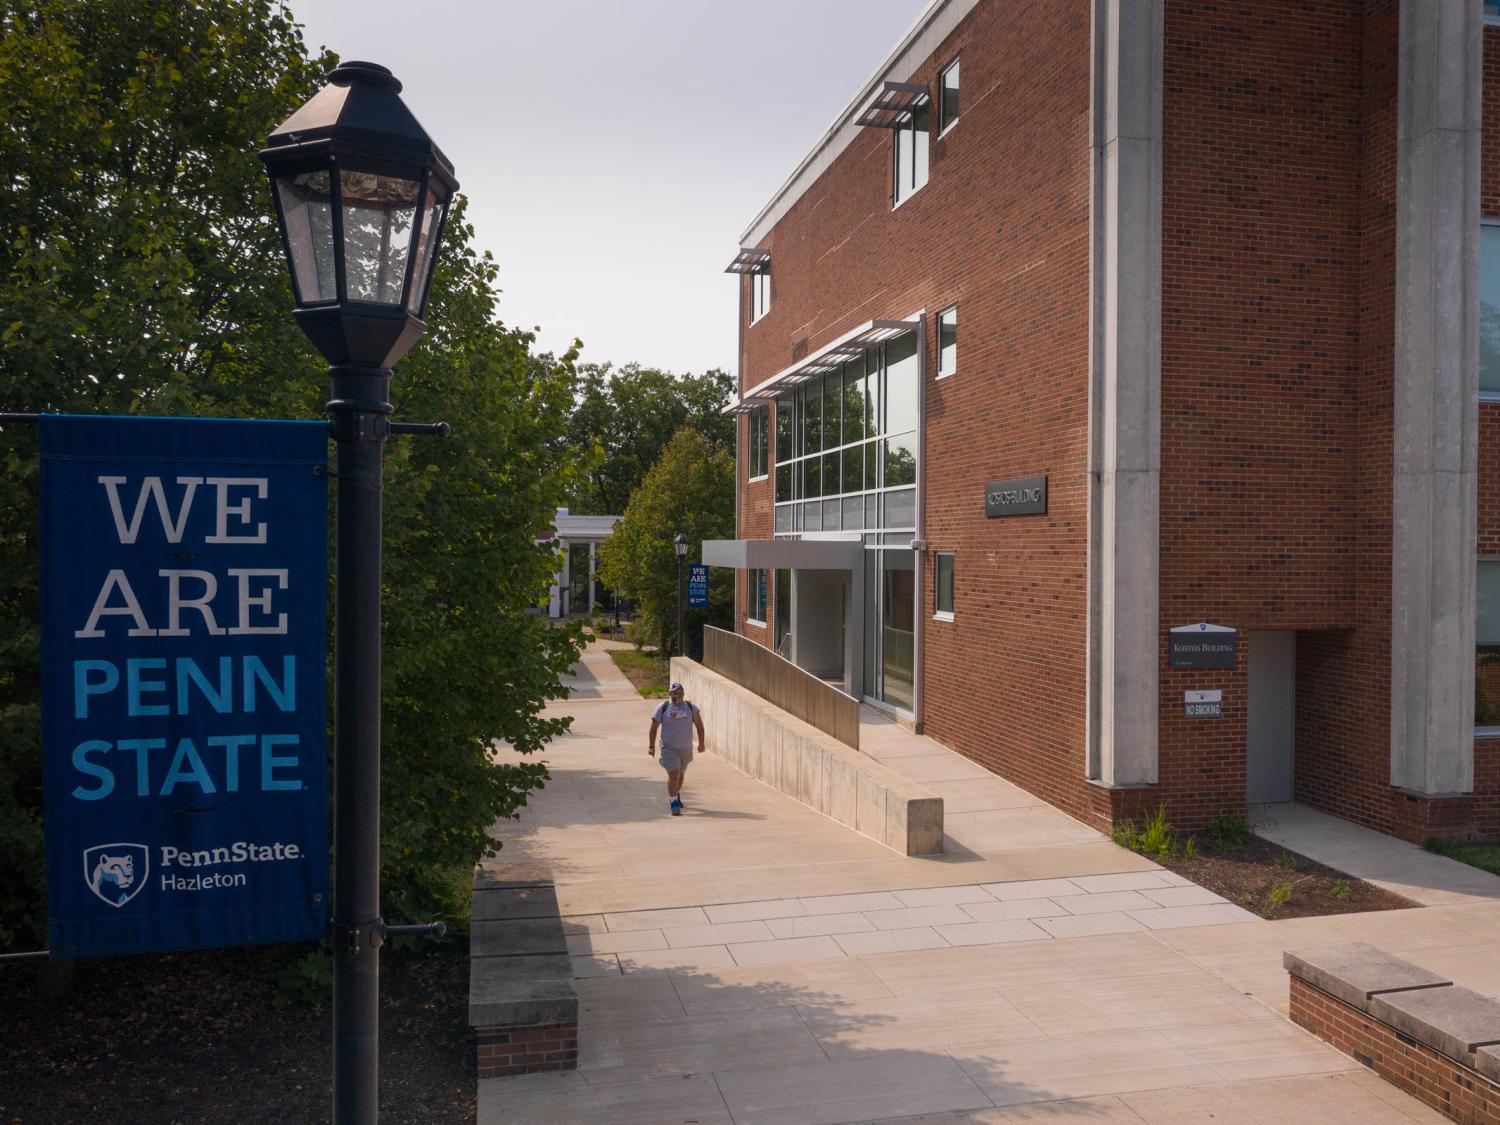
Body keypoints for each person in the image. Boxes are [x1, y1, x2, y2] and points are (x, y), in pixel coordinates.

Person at [648, 681, 706, 816]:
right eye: (675, 693)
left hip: (685, 748)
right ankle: (673, 802)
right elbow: (654, 727)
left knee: (680, 775)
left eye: (680, 692)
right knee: (674, 774)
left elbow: (699, 726)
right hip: (668, 748)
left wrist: (701, 743)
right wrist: (651, 746)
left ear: (683, 693)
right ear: (670, 694)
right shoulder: (663, 707)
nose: (678, 695)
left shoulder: (691, 707)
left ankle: (676, 794)